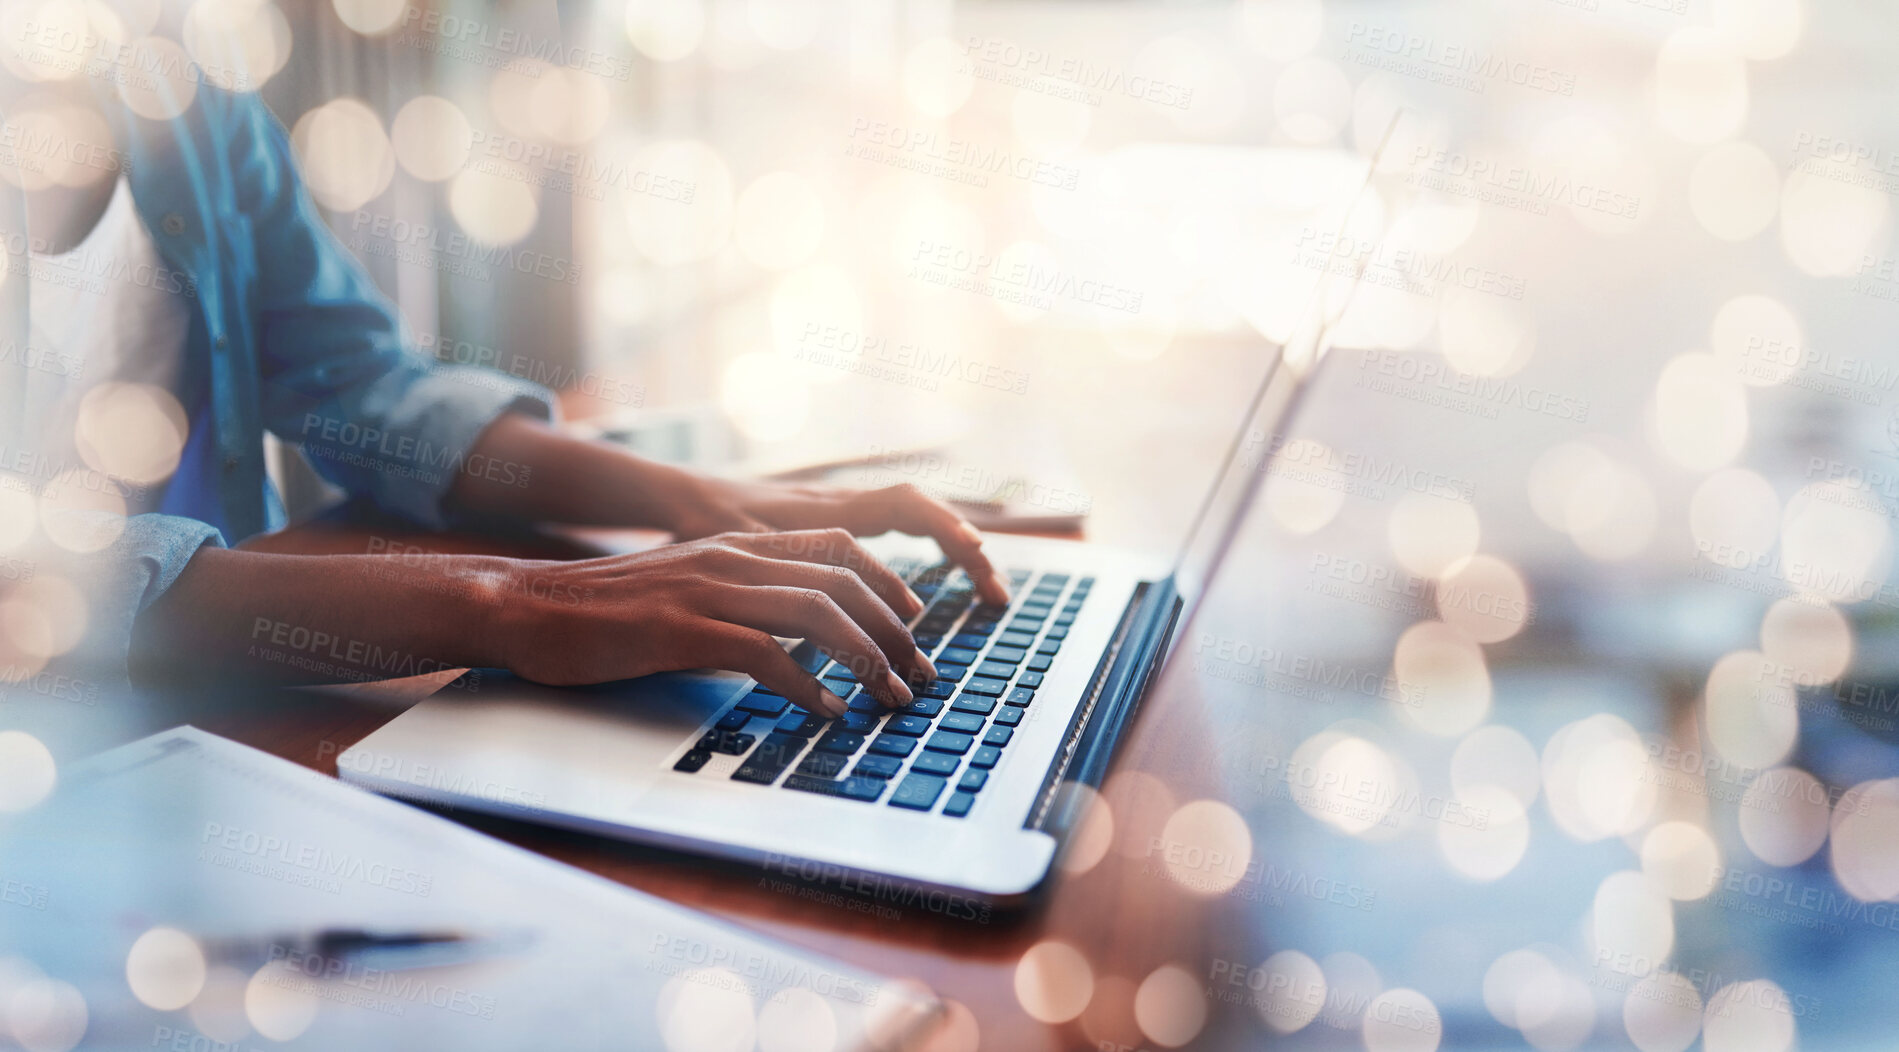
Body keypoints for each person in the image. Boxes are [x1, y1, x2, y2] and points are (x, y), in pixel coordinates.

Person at [4, 67, 1005, 720]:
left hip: (223, 715)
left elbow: (359, 384)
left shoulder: (190, 108)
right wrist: (512, 603)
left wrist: (698, 502)